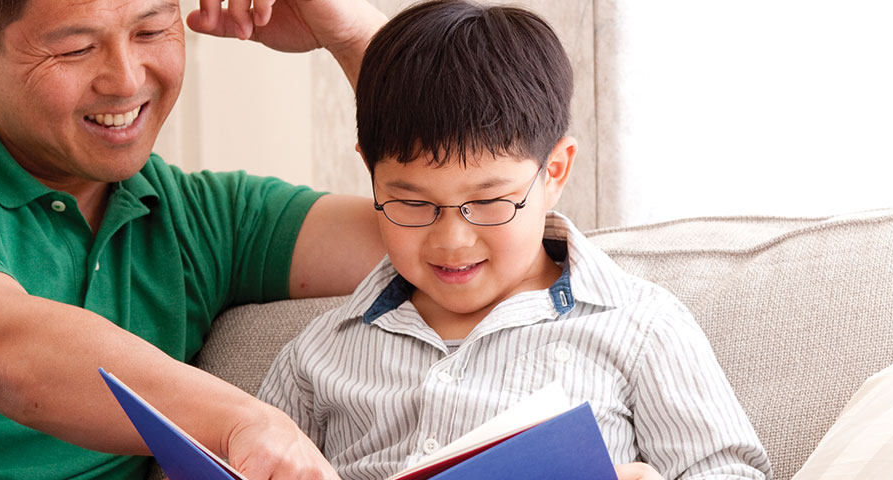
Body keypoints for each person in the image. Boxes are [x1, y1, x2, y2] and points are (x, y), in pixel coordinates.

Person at [0, 0, 390, 478]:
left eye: (152, 29)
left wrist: (355, 36)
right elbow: (11, 354)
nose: (126, 78)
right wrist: (244, 422)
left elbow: (451, 232)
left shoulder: (199, 217)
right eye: (76, 48)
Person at [255, 2, 773, 479]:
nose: (452, 241)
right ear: (369, 169)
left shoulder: (641, 330)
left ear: (554, 171)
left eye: (487, 202)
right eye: (413, 204)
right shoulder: (319, 355)